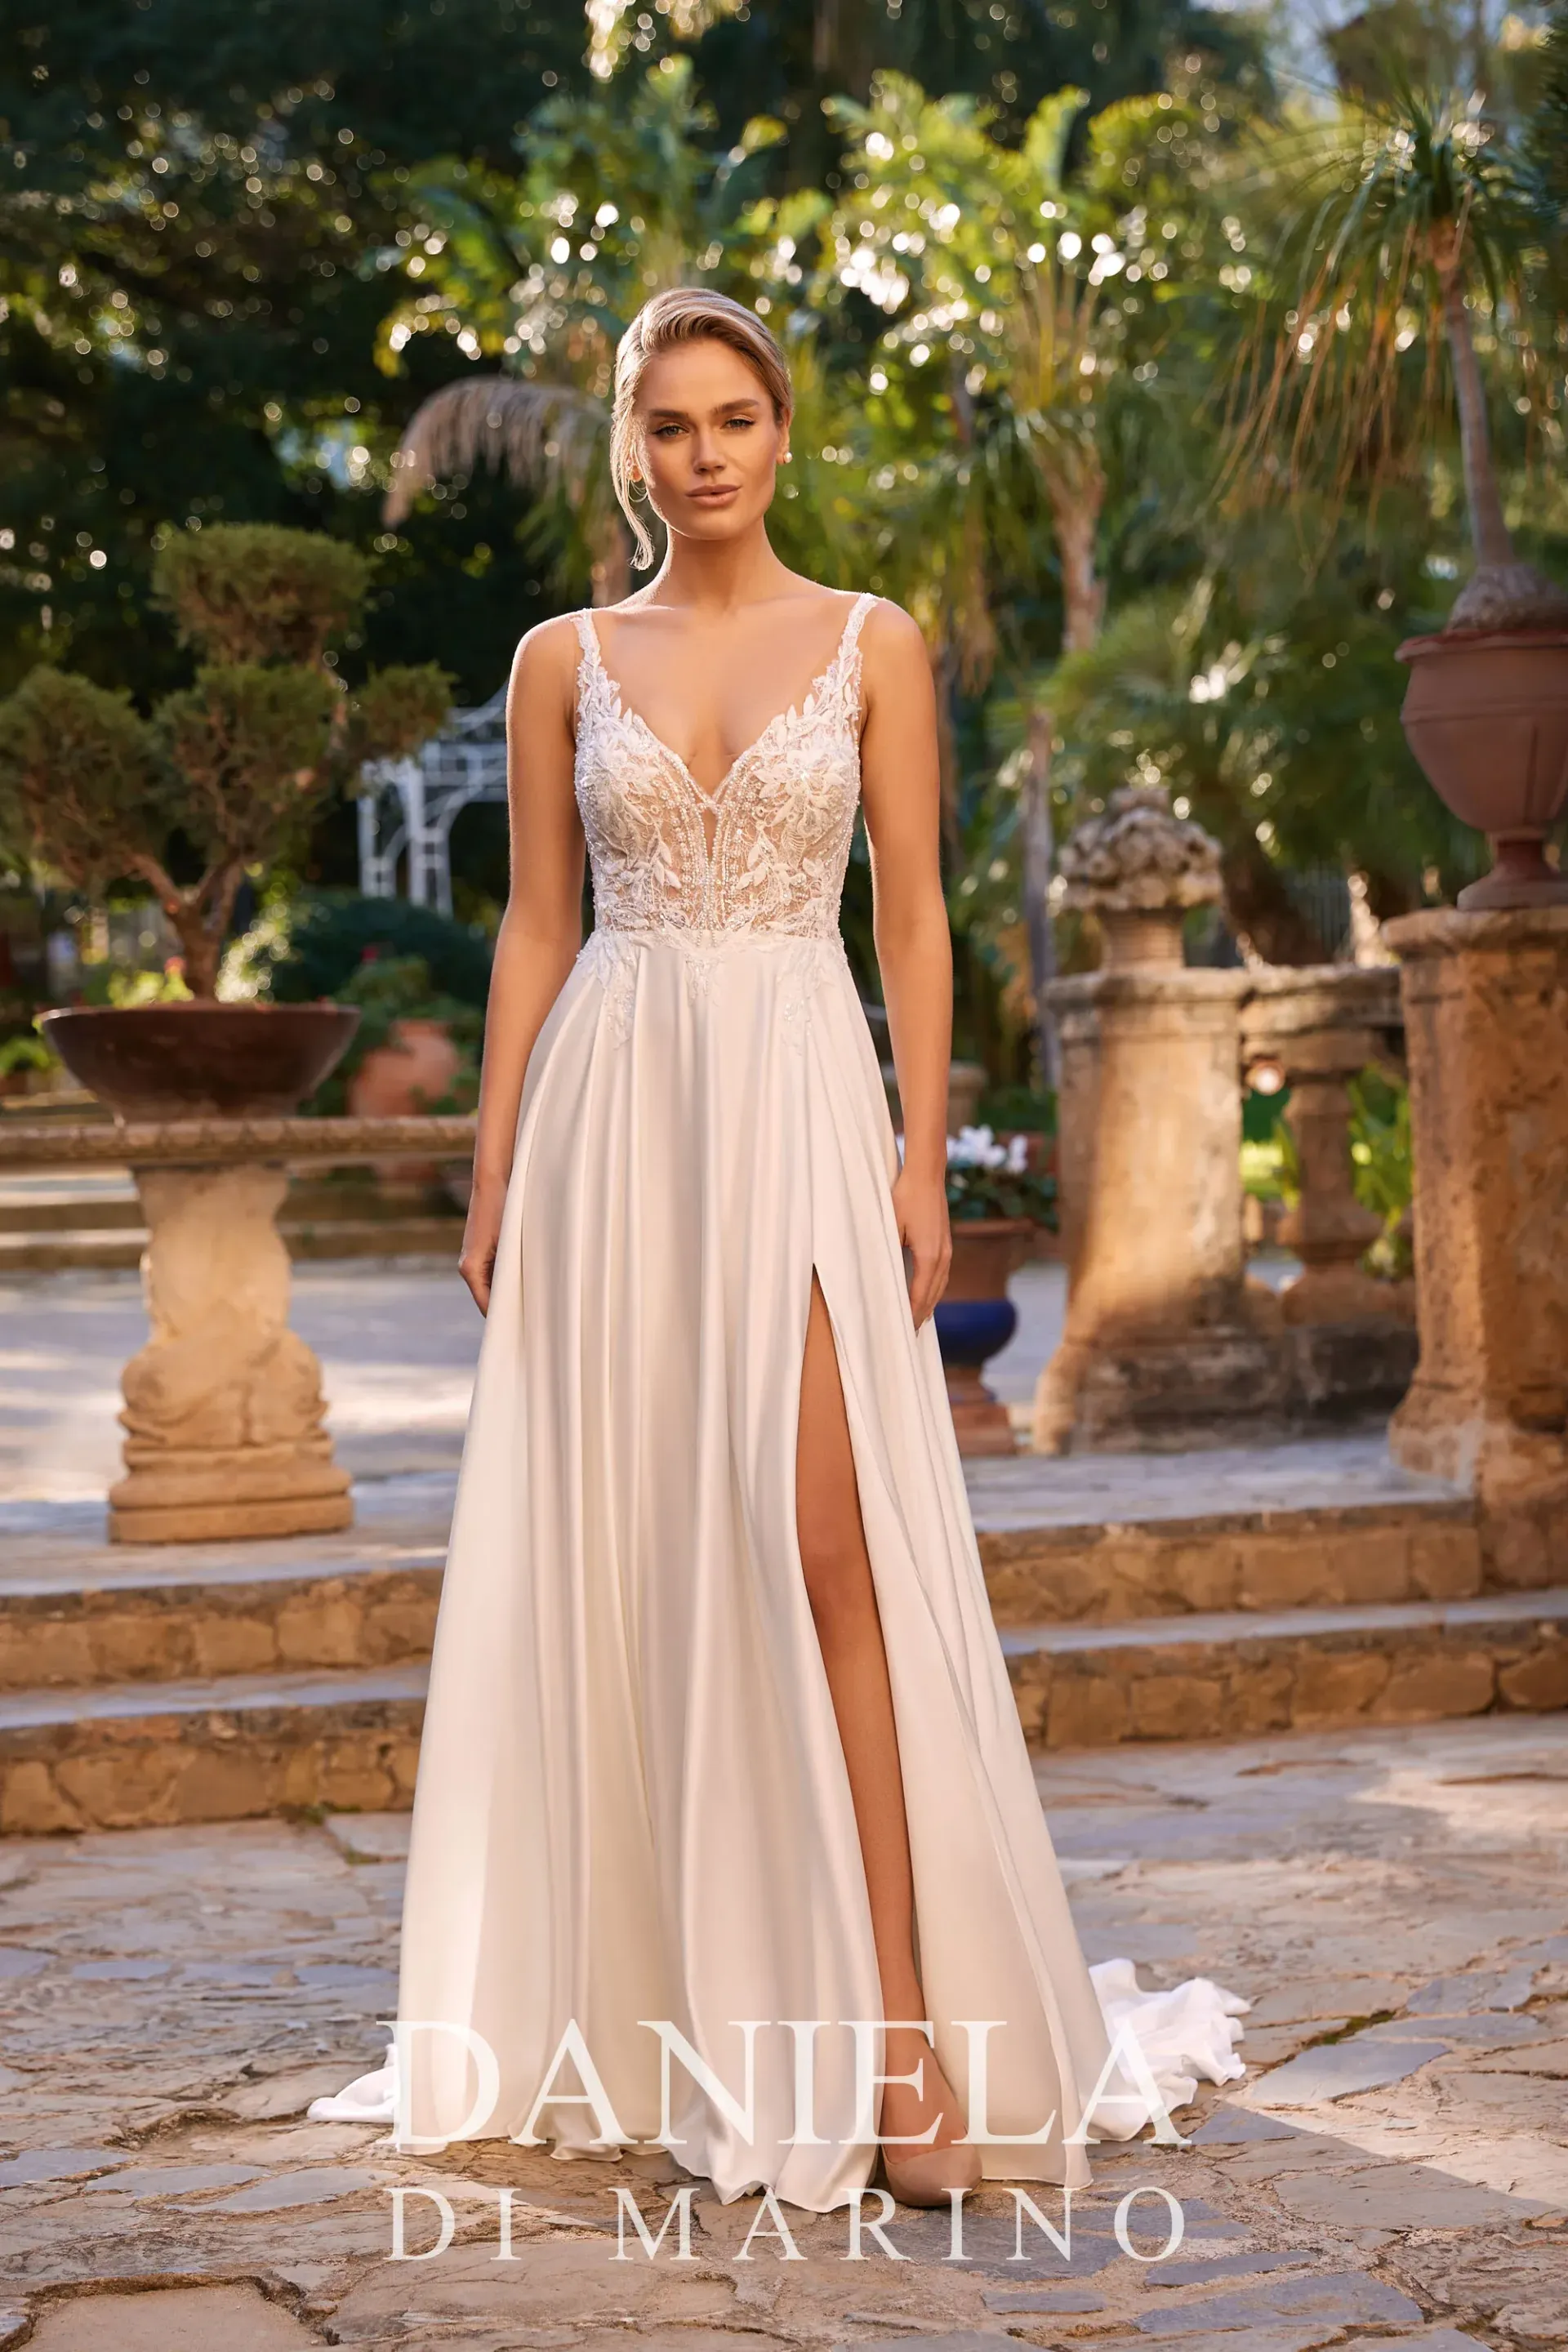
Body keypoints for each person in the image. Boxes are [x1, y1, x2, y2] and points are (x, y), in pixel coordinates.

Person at [311, 287, 1244, 2208]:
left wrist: (921, 1159)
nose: (707, 453)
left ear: (784, 433)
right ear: (634, 449)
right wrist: (493, 1177)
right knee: (647, 1546)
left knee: (827, 1544)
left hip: (804, 1102)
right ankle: (681, 2002)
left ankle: (899, 2039)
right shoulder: (560, 657)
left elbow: (910, 919)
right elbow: (534, 931)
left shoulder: (873, 644)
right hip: (617, 1122)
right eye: (672, 425)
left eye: (737, 418)